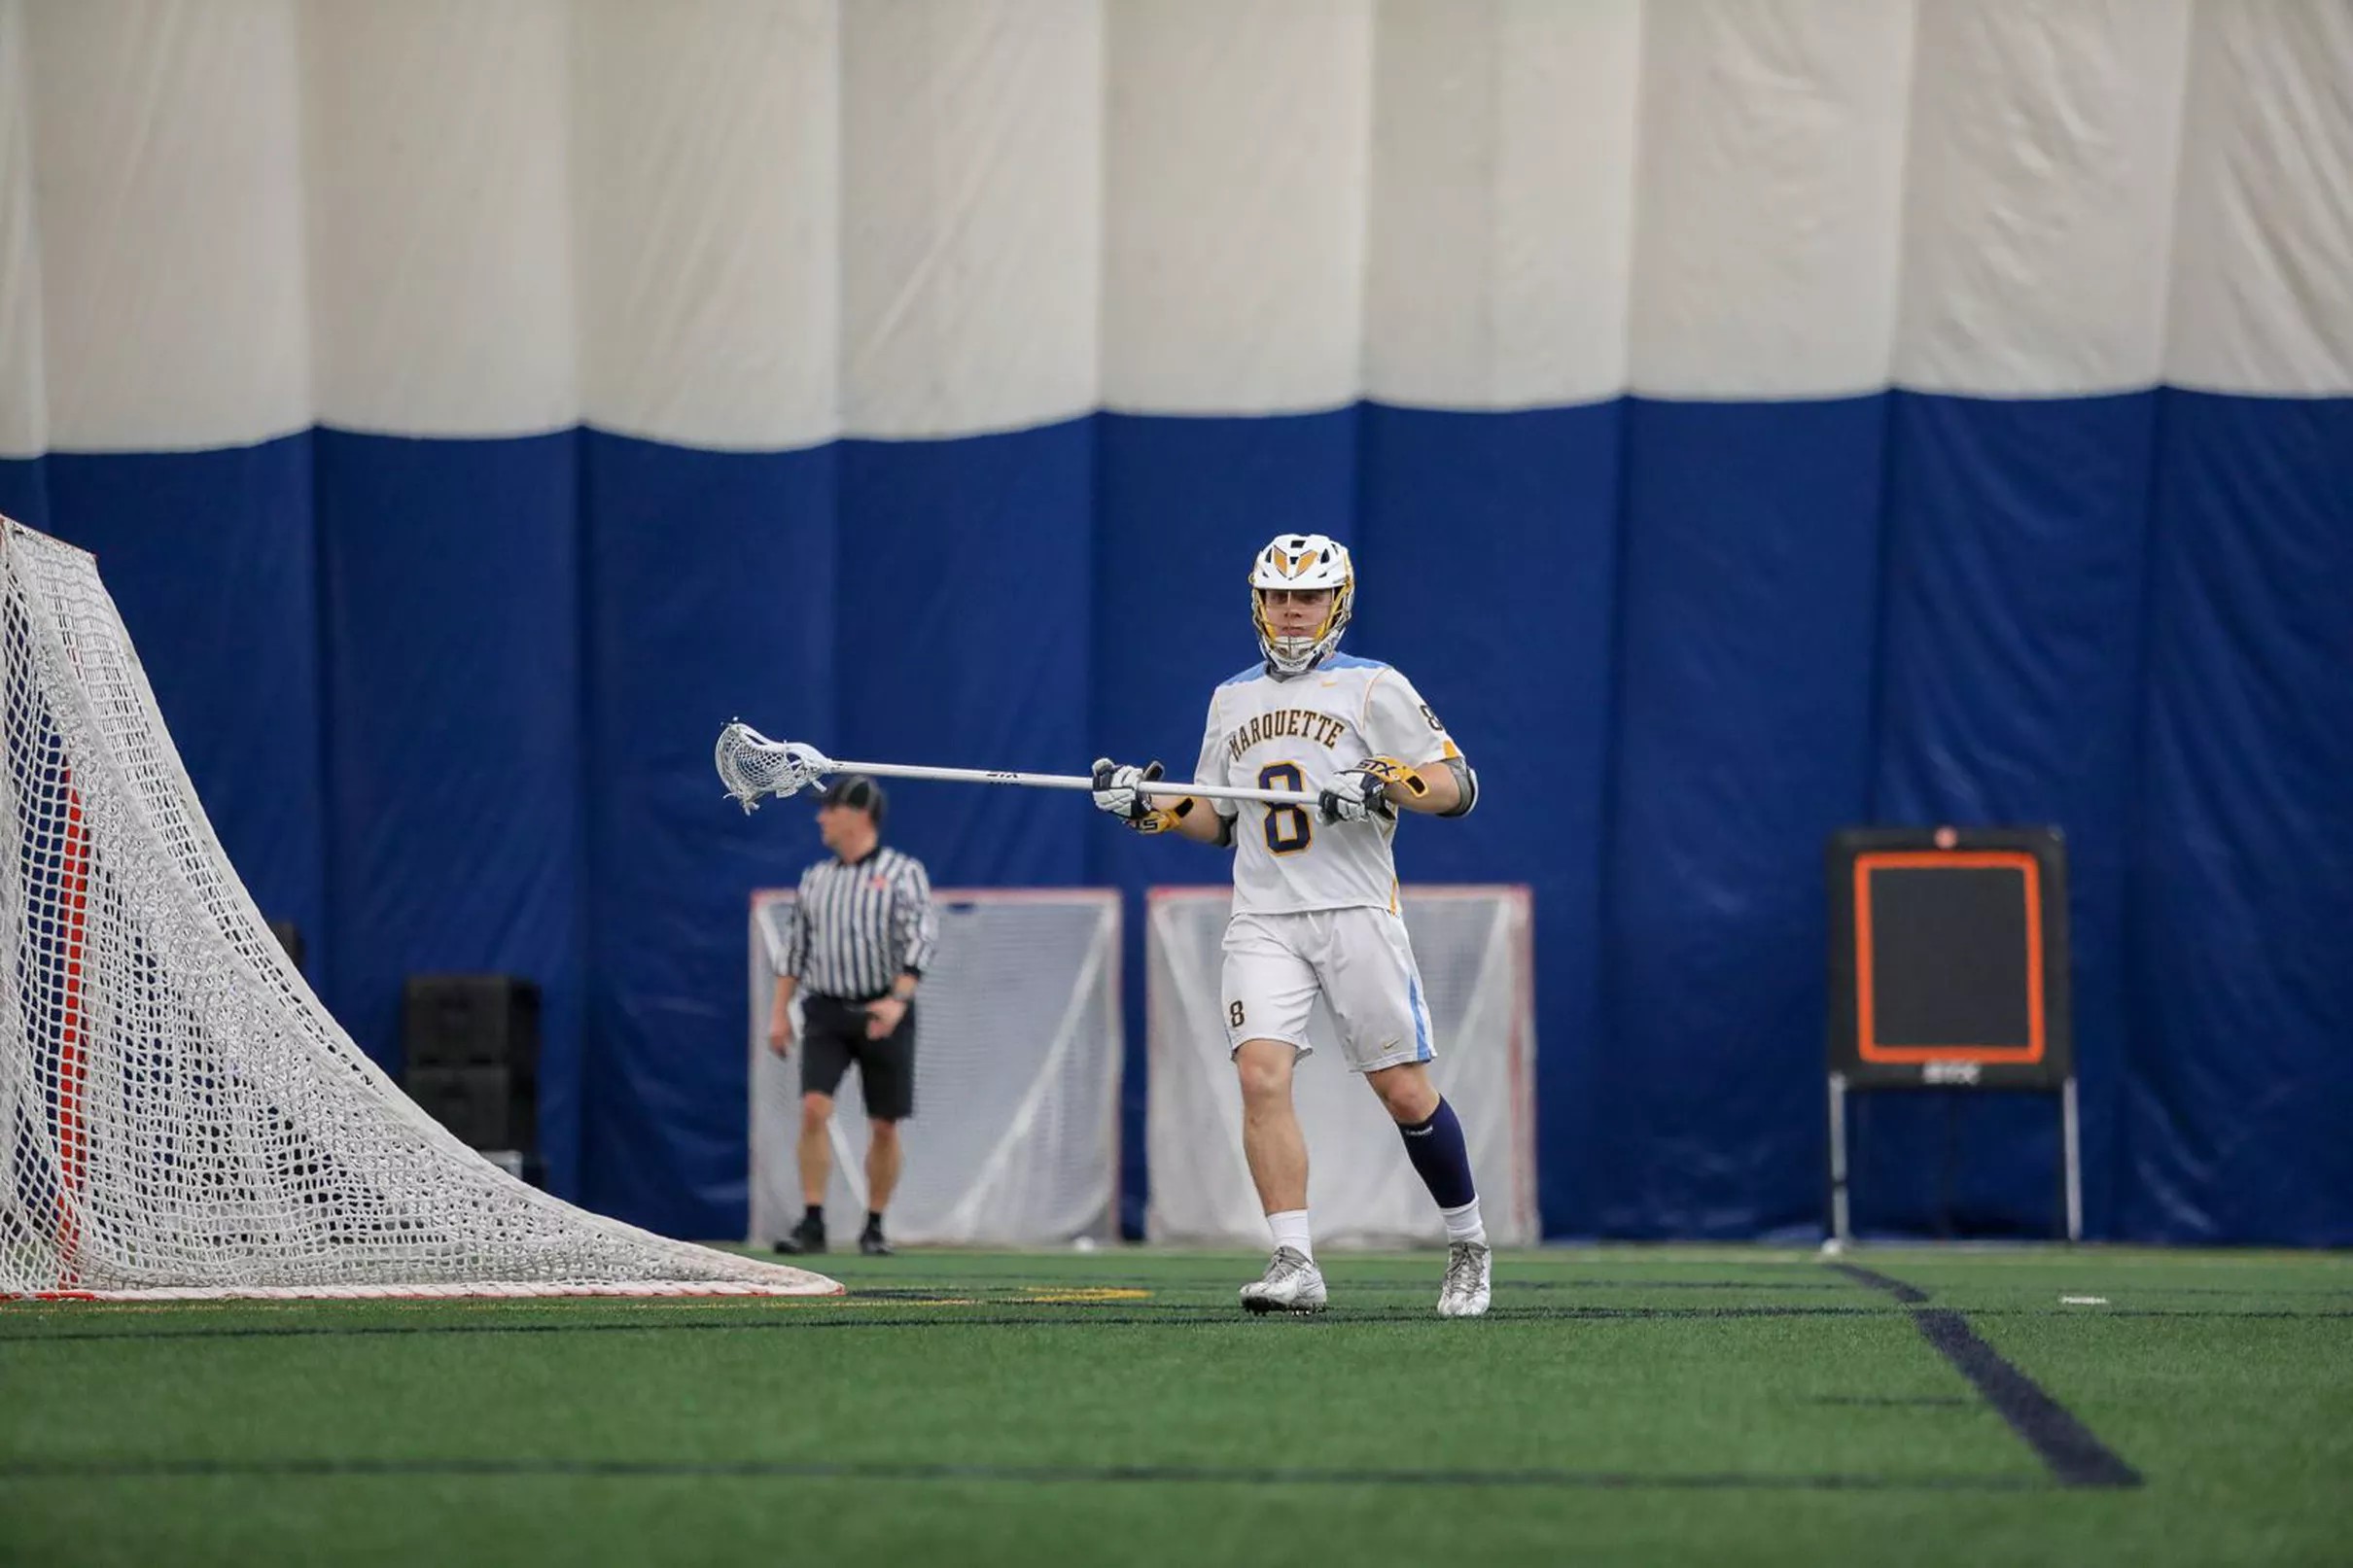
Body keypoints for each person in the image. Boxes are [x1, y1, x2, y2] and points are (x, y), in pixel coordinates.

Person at [1092, 533, 1490, 1317]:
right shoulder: (1230, 697)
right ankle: (1294, 1259)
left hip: (1353, 912)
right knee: (1260, 1073)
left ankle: (1468, 1245)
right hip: (1265, 914)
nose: (1292, 611)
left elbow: (1458, 783)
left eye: (1306, 596)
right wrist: (1151, 803)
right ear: (1257, 602)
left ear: (1337, 601)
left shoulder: (1375, 686)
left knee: (1403, 1091)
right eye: (1278, 596)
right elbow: (1218, 818)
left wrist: (1388, 783)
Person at [766, 774, 937, 1257]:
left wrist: (897, 1000)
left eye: (830, 808)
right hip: (827, 1008)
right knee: (813, 1108)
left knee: (884, 1122)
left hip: (884, 1007)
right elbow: (794, 951)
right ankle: (814, 1219)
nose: (821, 817)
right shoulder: (816, 879)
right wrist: (779, 1015)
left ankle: (875, 1223)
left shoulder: (902, 873)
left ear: (859, 814)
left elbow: (921, 939)